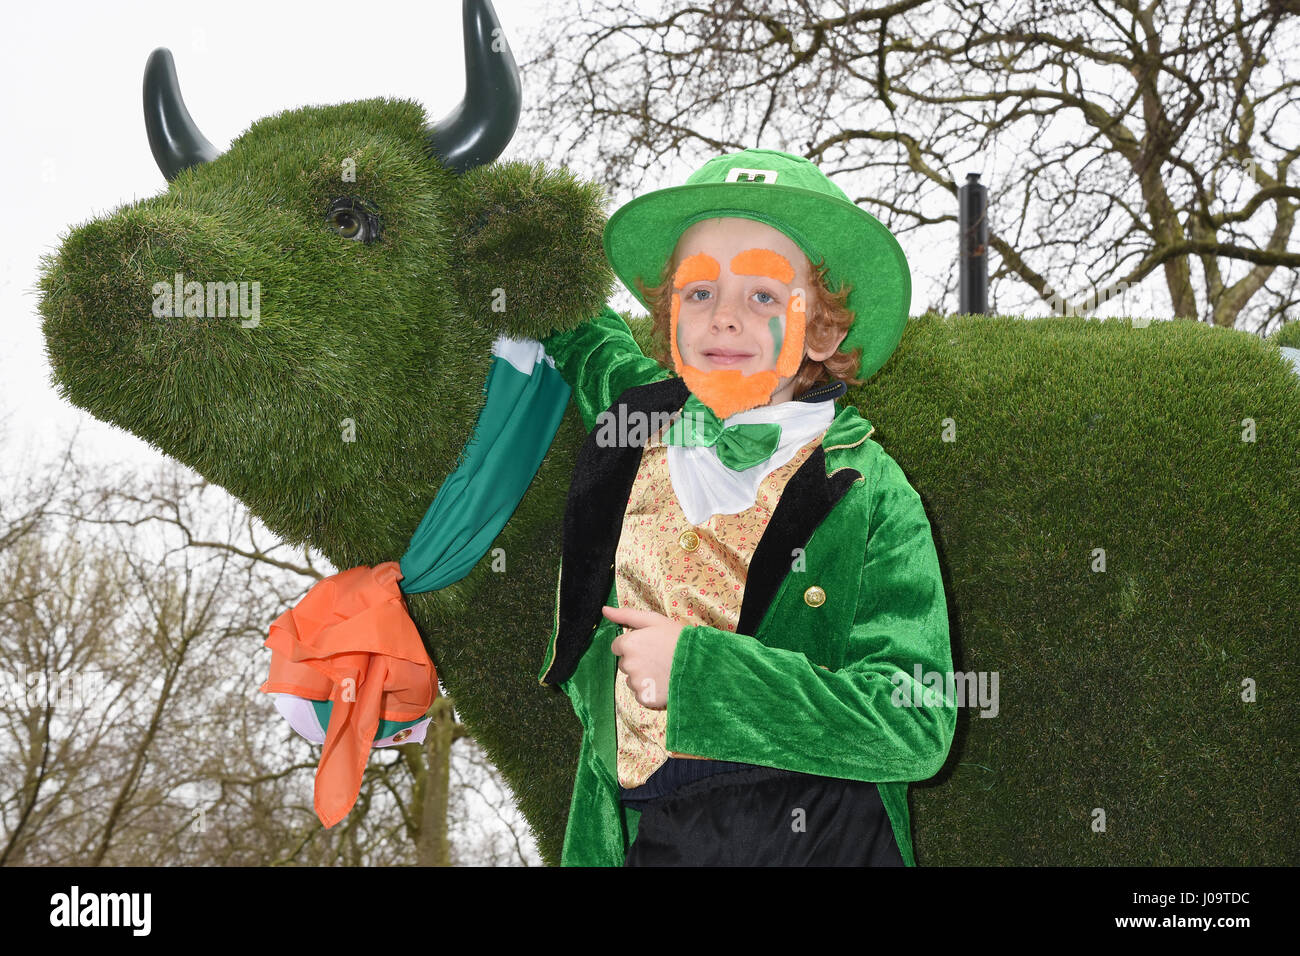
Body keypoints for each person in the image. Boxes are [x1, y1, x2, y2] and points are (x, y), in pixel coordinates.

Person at [536, 148, 955, 866]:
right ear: (669, 316)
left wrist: (700, 673)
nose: (723, 318)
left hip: (817, 832)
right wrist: (516, 236)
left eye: (763, 295)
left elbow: (916, 722)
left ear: (823, 330)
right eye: (698, 293)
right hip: (646, 833)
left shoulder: (872, 490)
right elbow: (579, 328)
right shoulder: (636, 420)